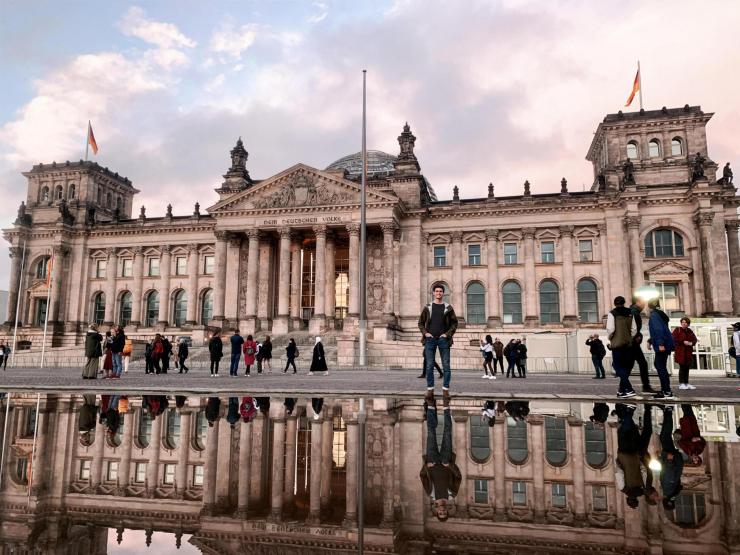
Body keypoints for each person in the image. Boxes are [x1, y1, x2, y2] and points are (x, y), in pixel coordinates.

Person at [419, 401, 461, 522]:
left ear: (436, 511)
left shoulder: (429, 493)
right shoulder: (452, 494)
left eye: (440, 513)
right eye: (444, 513)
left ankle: (431, 407)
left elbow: (422, 476)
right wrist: (450, 465)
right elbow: (458, 476)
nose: (442, 511)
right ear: (447, 511)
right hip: (445, 460)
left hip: (432, 460)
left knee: (431, 432)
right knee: (447, 432)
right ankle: (446, 408)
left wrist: (427, 465)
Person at [418, 284, 458, 405]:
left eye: (441, 291)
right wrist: (425, 333)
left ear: (443, 293)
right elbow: (420, 323)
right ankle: (430, 390)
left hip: (443, 340)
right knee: (429, 365)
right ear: (433, 293)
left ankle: (445, 390)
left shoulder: (448, 308)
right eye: (437, 291)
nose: (439, 293)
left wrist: (447, 334)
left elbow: (454, 323)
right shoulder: (428, 307)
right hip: (430, 340)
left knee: (446, 365)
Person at [607, 296, 638, 399]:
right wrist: (629, 337)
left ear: (615, 303)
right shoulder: (630, 313)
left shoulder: (612, 313)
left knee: (617, 366)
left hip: (617, 344)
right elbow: (634, 329)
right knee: (626, 367)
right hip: (628, 343)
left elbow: (611, 329)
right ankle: (621, 390)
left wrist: (610, 338)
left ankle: (629, 389)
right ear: (624, 302)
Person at [657, 405, 684, 511]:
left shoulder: (673, 492)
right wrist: (668, 460)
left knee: (665, 436)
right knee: (664, 436)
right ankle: (668, 411)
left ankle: (667, 412)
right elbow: (669, 474)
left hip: (675, 460)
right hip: (672, 459)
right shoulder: (668, 491)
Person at [648, 298, 675, 399]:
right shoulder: (660, 314)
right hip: (665, 343)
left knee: (660, 366)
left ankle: (666, 391)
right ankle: (665, 390)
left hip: (663, 344)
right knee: (660, 365)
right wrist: (650, 341)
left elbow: (658, 330)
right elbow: (660, 330)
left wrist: (660, 343)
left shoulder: (654, 315)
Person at [629, 296, 655, 393]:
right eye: (643, 302)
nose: (644, 305)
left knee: (632, 364)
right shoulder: (634, 312)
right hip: (633, 342)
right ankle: (645, 386)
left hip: (632, 341)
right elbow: (633, 328)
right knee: (642, 363)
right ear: (638, 302)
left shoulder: (632, 311)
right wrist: (637, 336)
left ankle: (625, 386)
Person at [672, 317, 698, 390]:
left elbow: (694, 339)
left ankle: (686, 383)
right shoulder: (678, 330)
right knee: (682, 368)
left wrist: (691, 343)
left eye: (685, 322)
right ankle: (681, 383)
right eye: (682, 322)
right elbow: (673, 338)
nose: (683, 323)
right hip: (680, 352)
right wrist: (682, 342)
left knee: (687, 368)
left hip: (688, 352)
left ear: (688, 324)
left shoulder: (689, 331)